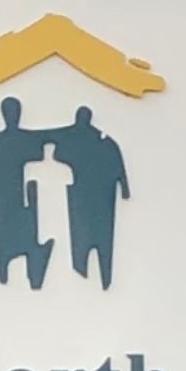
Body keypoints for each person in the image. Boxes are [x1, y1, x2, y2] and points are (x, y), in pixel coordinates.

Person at [0, 97, 53, 289]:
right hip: (6, 198)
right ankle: (9, 270)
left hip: (13, 197)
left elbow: (43, 148)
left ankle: (17, 271)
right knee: (12, 232)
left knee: (16, 231)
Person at [50, 106, 129, 289]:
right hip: (84, 192)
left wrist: (124, 187)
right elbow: (54, 147)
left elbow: (117, 164)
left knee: (99, 235)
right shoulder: (97, 140)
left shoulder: (102, 141)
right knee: (86, 233)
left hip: (97, 193)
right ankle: (87, 268)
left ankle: (101, 273)